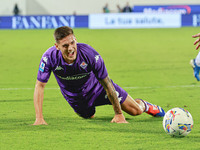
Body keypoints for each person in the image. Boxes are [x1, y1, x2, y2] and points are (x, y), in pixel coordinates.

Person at [33, 26, 165, 125]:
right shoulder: (49, 58)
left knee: (135, 111)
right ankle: (88, 109)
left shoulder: (90, 54)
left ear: (75, 40)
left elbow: (107, 83)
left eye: (72, 43)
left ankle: (146, 106)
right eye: (65, 45)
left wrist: (118, 114)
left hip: (99, 89)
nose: (70, 48)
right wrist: (39, 118)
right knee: (88, 116)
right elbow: (40, 86)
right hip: (75, 98)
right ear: (57, 46)